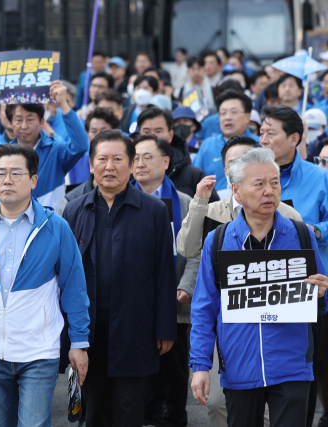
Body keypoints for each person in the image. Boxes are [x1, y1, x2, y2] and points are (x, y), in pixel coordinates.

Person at [0, 143, 90, 426]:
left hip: (39, 351)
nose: (6, 180)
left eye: (15, 173)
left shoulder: (55, 227)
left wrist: (79, 342)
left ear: (34, 180)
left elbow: (74, 287)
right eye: (0, 173)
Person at [189, 147, 328, 427]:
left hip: (292, 367)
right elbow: (204, 308)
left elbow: (320, 303)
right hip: (240, 368)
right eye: (259, 184)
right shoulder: (218, 241)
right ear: (236, 191)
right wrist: (200, 366)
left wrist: (322, 291)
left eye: (274, 183)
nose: (269, 191)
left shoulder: (300, 234)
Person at [61, 130, 177, 426]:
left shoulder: (153, 210)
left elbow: (165, 271)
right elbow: (64, 275)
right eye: (102, 159)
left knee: (129, 411)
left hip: (135, 327)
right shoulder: (74, 209)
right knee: (94, 410)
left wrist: (165, 327)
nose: (109, 167)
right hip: (89, 330)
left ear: (131, 163)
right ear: (90, 164)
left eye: (117, 159)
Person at [131, 133, 199, 427]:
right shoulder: (120, 199)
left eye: (148, 157)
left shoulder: (184, 202)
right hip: (133, 300)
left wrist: (185, 286)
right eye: (135, 158)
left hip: (174, 299)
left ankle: (173, 418)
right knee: (137, 368)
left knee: (173, 368)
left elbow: (197, 252)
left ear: (166, 161)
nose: (140, 163)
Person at [0, 81, 89, 209]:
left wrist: (63, 104)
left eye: (30, 119)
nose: (24, 126)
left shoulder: (56, 151)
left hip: (51, 225)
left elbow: (81, 146)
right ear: (10, 122)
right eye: (18, 120)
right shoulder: (3, 154)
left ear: (42, 121)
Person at [259, 106, 328, 269]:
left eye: (271, 134)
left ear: (294, 139)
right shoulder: (250, 178)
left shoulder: (320, 177)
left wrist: (315, 231)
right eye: (261, 133)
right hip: (263, 274)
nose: (263, 140)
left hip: (310, 275)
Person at [137, 107, 219, 201]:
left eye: (158, 131)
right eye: (146, 132)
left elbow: (213, 212)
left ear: (170, 135)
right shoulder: (128, 174)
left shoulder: (194, 176)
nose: (152, 136)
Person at [194, 90, 260, 191]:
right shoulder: (208, 145)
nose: (227, 117)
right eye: (223, 113)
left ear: (248, 117)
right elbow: (195, 180)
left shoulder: (260, 144)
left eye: (234, 112)